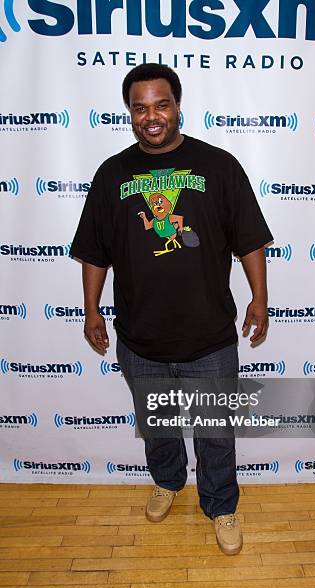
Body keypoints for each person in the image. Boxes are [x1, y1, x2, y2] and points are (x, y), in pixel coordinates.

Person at [70, 63, 273, 556]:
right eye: (140, 108)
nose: (151, 116)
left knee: (215, 433)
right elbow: (96, 250)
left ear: (178, 105)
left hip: (209, 338)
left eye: (161, 105)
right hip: (141, 338)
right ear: (130, 113)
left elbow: (249, 239)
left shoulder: (219, 165)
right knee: (156, 428)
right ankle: (167, 481)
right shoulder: (111, 173)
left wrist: (260, 298)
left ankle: (221, 505)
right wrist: (91, 309)